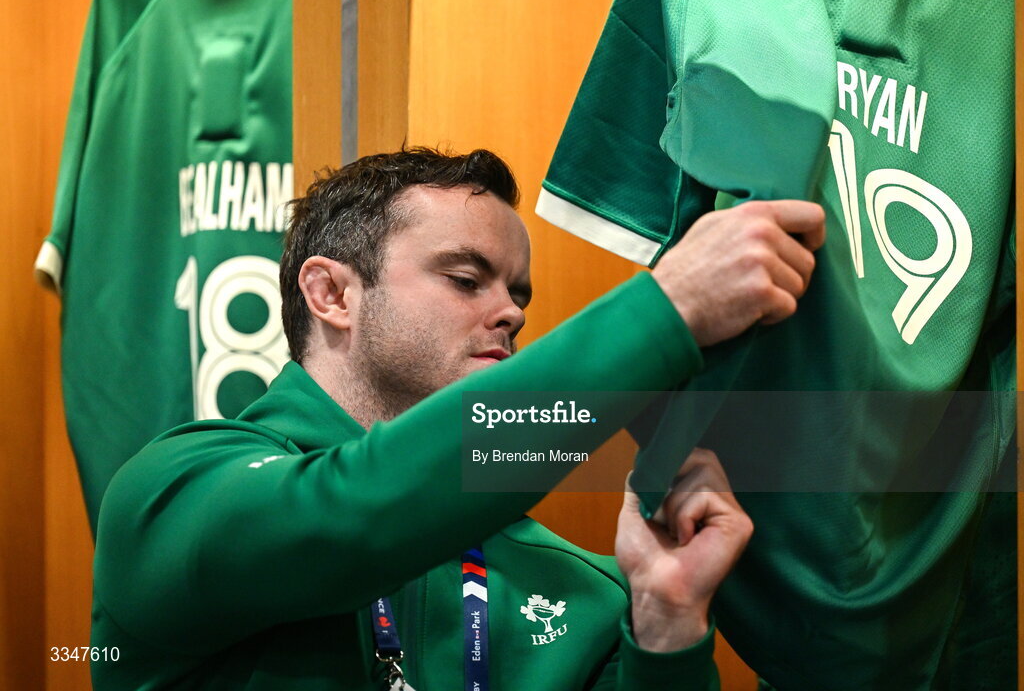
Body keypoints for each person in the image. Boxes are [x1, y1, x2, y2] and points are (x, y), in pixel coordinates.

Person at [90, 147, 824, 690]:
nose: (510, 312)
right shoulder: (171, 493)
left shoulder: (592, 594)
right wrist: (669, 311)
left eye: (519, 295)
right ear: (333, 295)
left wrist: (666, 624)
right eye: (466, 279)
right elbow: (353, 512)